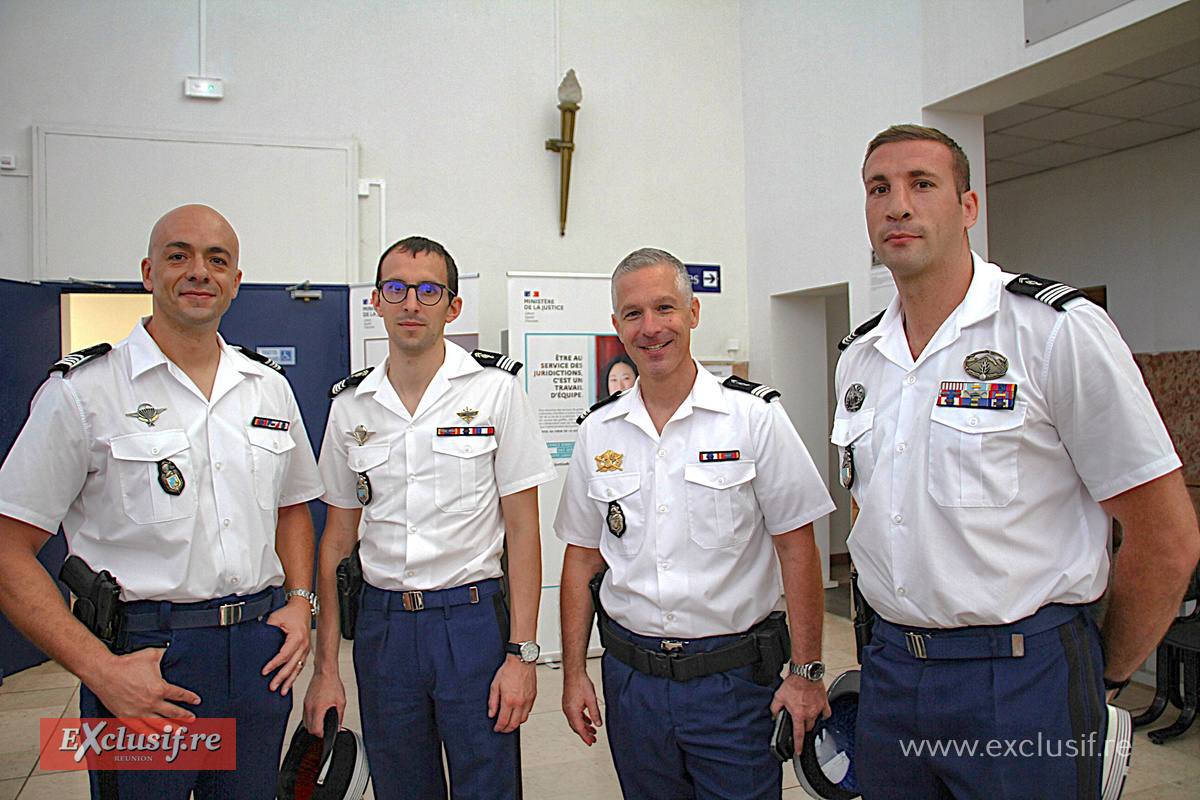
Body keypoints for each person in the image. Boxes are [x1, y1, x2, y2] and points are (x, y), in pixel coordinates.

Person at [837, 123, 1200, 799]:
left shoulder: (1053, 330)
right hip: (891, 670)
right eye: (878, 189)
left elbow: (1167, 536)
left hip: (1022, 676)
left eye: (922, 184)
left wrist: (1101, 676)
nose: (897, 206)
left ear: (968, 207)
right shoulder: (861, 359)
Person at [0, 204, 323, 800]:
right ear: (149, 272)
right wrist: (101, 671)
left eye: (216, 259)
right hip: (143, 659)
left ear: (235, 282)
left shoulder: (266, 386)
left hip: (257, 655)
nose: (199, 271)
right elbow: (8, 550)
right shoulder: (84, 392)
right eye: (180, 256)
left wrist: (300, 602)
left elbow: (292, 506)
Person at [555, 247, 837, 799]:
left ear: (693, 313)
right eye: (633, 314)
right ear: (616, 325)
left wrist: (807, 670)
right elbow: (583, 557)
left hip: (732, 683)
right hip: (632, 682)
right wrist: (573, 672)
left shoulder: (753, 417)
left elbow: (797, 546)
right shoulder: (599, 431)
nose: (651, 327)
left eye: (665, 308)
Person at [303, 236, 556, 799]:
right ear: (377, 301)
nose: (411, 303)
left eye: (427, 290)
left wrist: (522, 653)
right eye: (396, 289)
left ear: (453, 305)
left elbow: (523, 532)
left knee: (486, 784)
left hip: (471, 626)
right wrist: (325, 667)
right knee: (400, 786)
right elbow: (335, 542)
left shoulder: (495, 392)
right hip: (383, 628)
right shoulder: (350, 408)